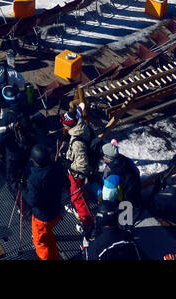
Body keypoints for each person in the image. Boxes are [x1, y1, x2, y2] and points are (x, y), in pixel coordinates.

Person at [23, 143, 68, 260]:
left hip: (42, 218)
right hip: (55, 211)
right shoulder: (56, 168)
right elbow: (65, 183)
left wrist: (22, 190)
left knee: (41, 243)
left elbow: (32, 201)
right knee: (48, 237)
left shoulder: (35, 179)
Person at [61, 104, 98, 233]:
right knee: (75, 196)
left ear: (71, 125)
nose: (63, 126)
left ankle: (88, 224)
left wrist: (70, 167)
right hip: (78, 166)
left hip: (76, 174)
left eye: (65, 124)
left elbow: (82, 165)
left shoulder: (77, 142)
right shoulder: (83, 127)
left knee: (78, 198)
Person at [99, 141, 142, 206]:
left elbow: (107, 199)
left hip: (121, 202)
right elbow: (137, 172)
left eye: (102, 155)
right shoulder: (126, 160)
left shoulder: (111, 176)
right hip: (134, 189)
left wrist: (99, 194)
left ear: (107, 157)